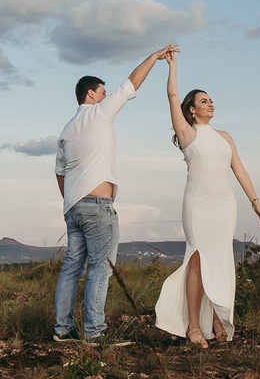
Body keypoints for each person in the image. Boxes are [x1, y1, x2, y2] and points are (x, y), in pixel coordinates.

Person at [53, 43, 178, 343]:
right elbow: (132, 82)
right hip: (97, 206)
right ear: (91, 94)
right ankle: (94, 334)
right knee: (100, 268)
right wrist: (155, 57)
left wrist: (71, 199)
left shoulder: (67, 129)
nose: (107, 95)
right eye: (102, 91)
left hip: (74, 207)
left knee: (72, 267)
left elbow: (60, 172)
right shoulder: (98, 113)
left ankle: (62, 330)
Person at [154, 50, 260, 347]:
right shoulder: (187, 134)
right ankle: (194, 325)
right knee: (196, 261)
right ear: (191, 110)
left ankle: (217, 317)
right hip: (197, 205)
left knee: (220, 260)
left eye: (211, 100)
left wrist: (256, 203)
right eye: (203, 101)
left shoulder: (225, 136)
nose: (210, 104)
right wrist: (172, 67)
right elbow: (171, 95)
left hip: (224, 206)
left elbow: (240, 170)